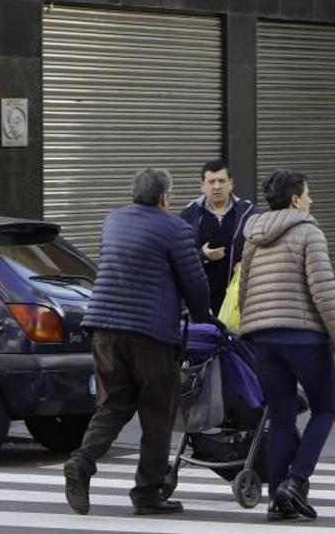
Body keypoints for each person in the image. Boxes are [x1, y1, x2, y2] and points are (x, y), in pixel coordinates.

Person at [63, 168, 218, 517]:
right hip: (150, 334)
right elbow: (194, 282)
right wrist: (205, 319)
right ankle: (147, 492)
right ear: (165, 197)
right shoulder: (176, 227)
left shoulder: (113, 220)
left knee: (114, 405)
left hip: (103, 329)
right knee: (157, 412)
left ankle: (82, 462)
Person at [238, 169, 335, 522]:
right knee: (325, 409)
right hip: (304, 337)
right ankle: (296, 480)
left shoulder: (252, 235)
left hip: (263, 337)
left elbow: (243, 290)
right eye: (308, 193)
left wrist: (251, 327)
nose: (311, 199)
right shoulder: (308, 232)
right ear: (295, 200)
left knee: (281, 414)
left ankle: (276, 499)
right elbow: (323, 291)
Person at [180, 160, 260, 312]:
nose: (217, 186)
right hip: (202, 303)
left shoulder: (249, 213)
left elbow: (263, 249)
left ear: (231, 183)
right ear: (202, 186)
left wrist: (246, 264)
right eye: (211, 182)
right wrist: (202, 255)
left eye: (221, 181)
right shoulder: (189, 215)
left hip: (239, 301)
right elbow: (180, 258)